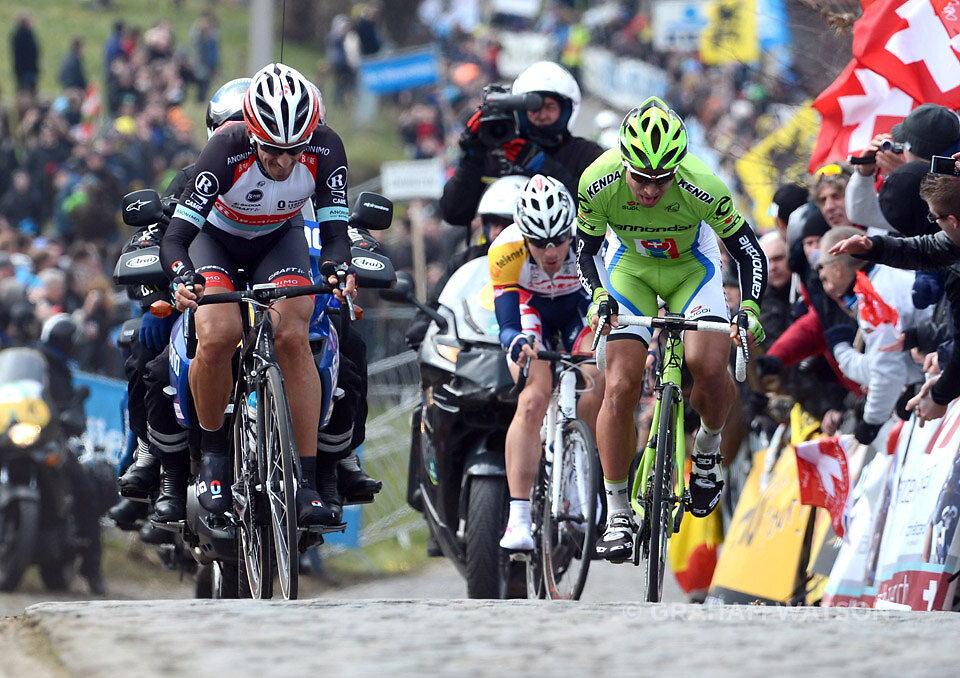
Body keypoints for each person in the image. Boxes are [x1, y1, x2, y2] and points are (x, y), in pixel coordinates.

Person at [160, 63, 353, 527]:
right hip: (216, 242)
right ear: (251, 134)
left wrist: (337, 268)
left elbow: (335, 235)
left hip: (277, 239)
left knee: (293, 334)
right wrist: (183, 278)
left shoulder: (326, 149)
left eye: (294, 151)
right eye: (271, 151)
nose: (284, 163)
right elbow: (175, 240)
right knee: (219, 332)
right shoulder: (224, 149)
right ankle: (212, 458)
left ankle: (304, 482)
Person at [574, 97, 767, 561]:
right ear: (624, 163)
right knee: (619, 385)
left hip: (691, 272)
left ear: (677, 170)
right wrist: (599, 297)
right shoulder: (596, 182)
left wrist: (752, 308)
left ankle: (706, 448)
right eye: (640, 178)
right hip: (631, 272)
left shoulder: (703, 185)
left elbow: (748, 251)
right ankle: (618, 512)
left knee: (709, 367)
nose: (648, 190)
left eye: (661, 180)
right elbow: (587, 252)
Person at [489, 175, 603, 550]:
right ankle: (518, 518)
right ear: (524, 237)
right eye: (539, 243)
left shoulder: (593, 237)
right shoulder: (504, 250)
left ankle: (580, 469)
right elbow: (507, 325)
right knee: (534, 396)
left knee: (595, 376)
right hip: (530, 309)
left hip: (577, 308)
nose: (551, 252)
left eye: (559, 240)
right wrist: (516, 342)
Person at [829, 172, 960, 427]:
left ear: (952, 221)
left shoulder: (956, 274)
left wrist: (939, 395)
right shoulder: (955, 240)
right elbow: (928, 249)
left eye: (935, 218)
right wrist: (873, 248)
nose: (933, 223)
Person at [439, 61, 603, 227]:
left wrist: (544, 166)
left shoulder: (587, 155)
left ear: (566, 110)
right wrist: (471, 159)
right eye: (534, 109)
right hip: (497, 248)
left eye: (550, 107)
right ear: (522, 113)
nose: (542, 115)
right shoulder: (497, 154)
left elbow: (597, 212)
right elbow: (454, 214)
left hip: (560, 247)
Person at [818, 226, 930, 446]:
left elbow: (887, 371)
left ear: (838, 268)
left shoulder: (872, 298)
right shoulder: (883, 276)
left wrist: (871, 423)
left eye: (824, 268)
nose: (825, 278)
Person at [846, 104, 960, 233]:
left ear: (910, 148)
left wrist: (906, 180)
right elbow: (861, 213)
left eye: (902, 143)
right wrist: (864, 173)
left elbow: (862, 213)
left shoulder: (952, 188)